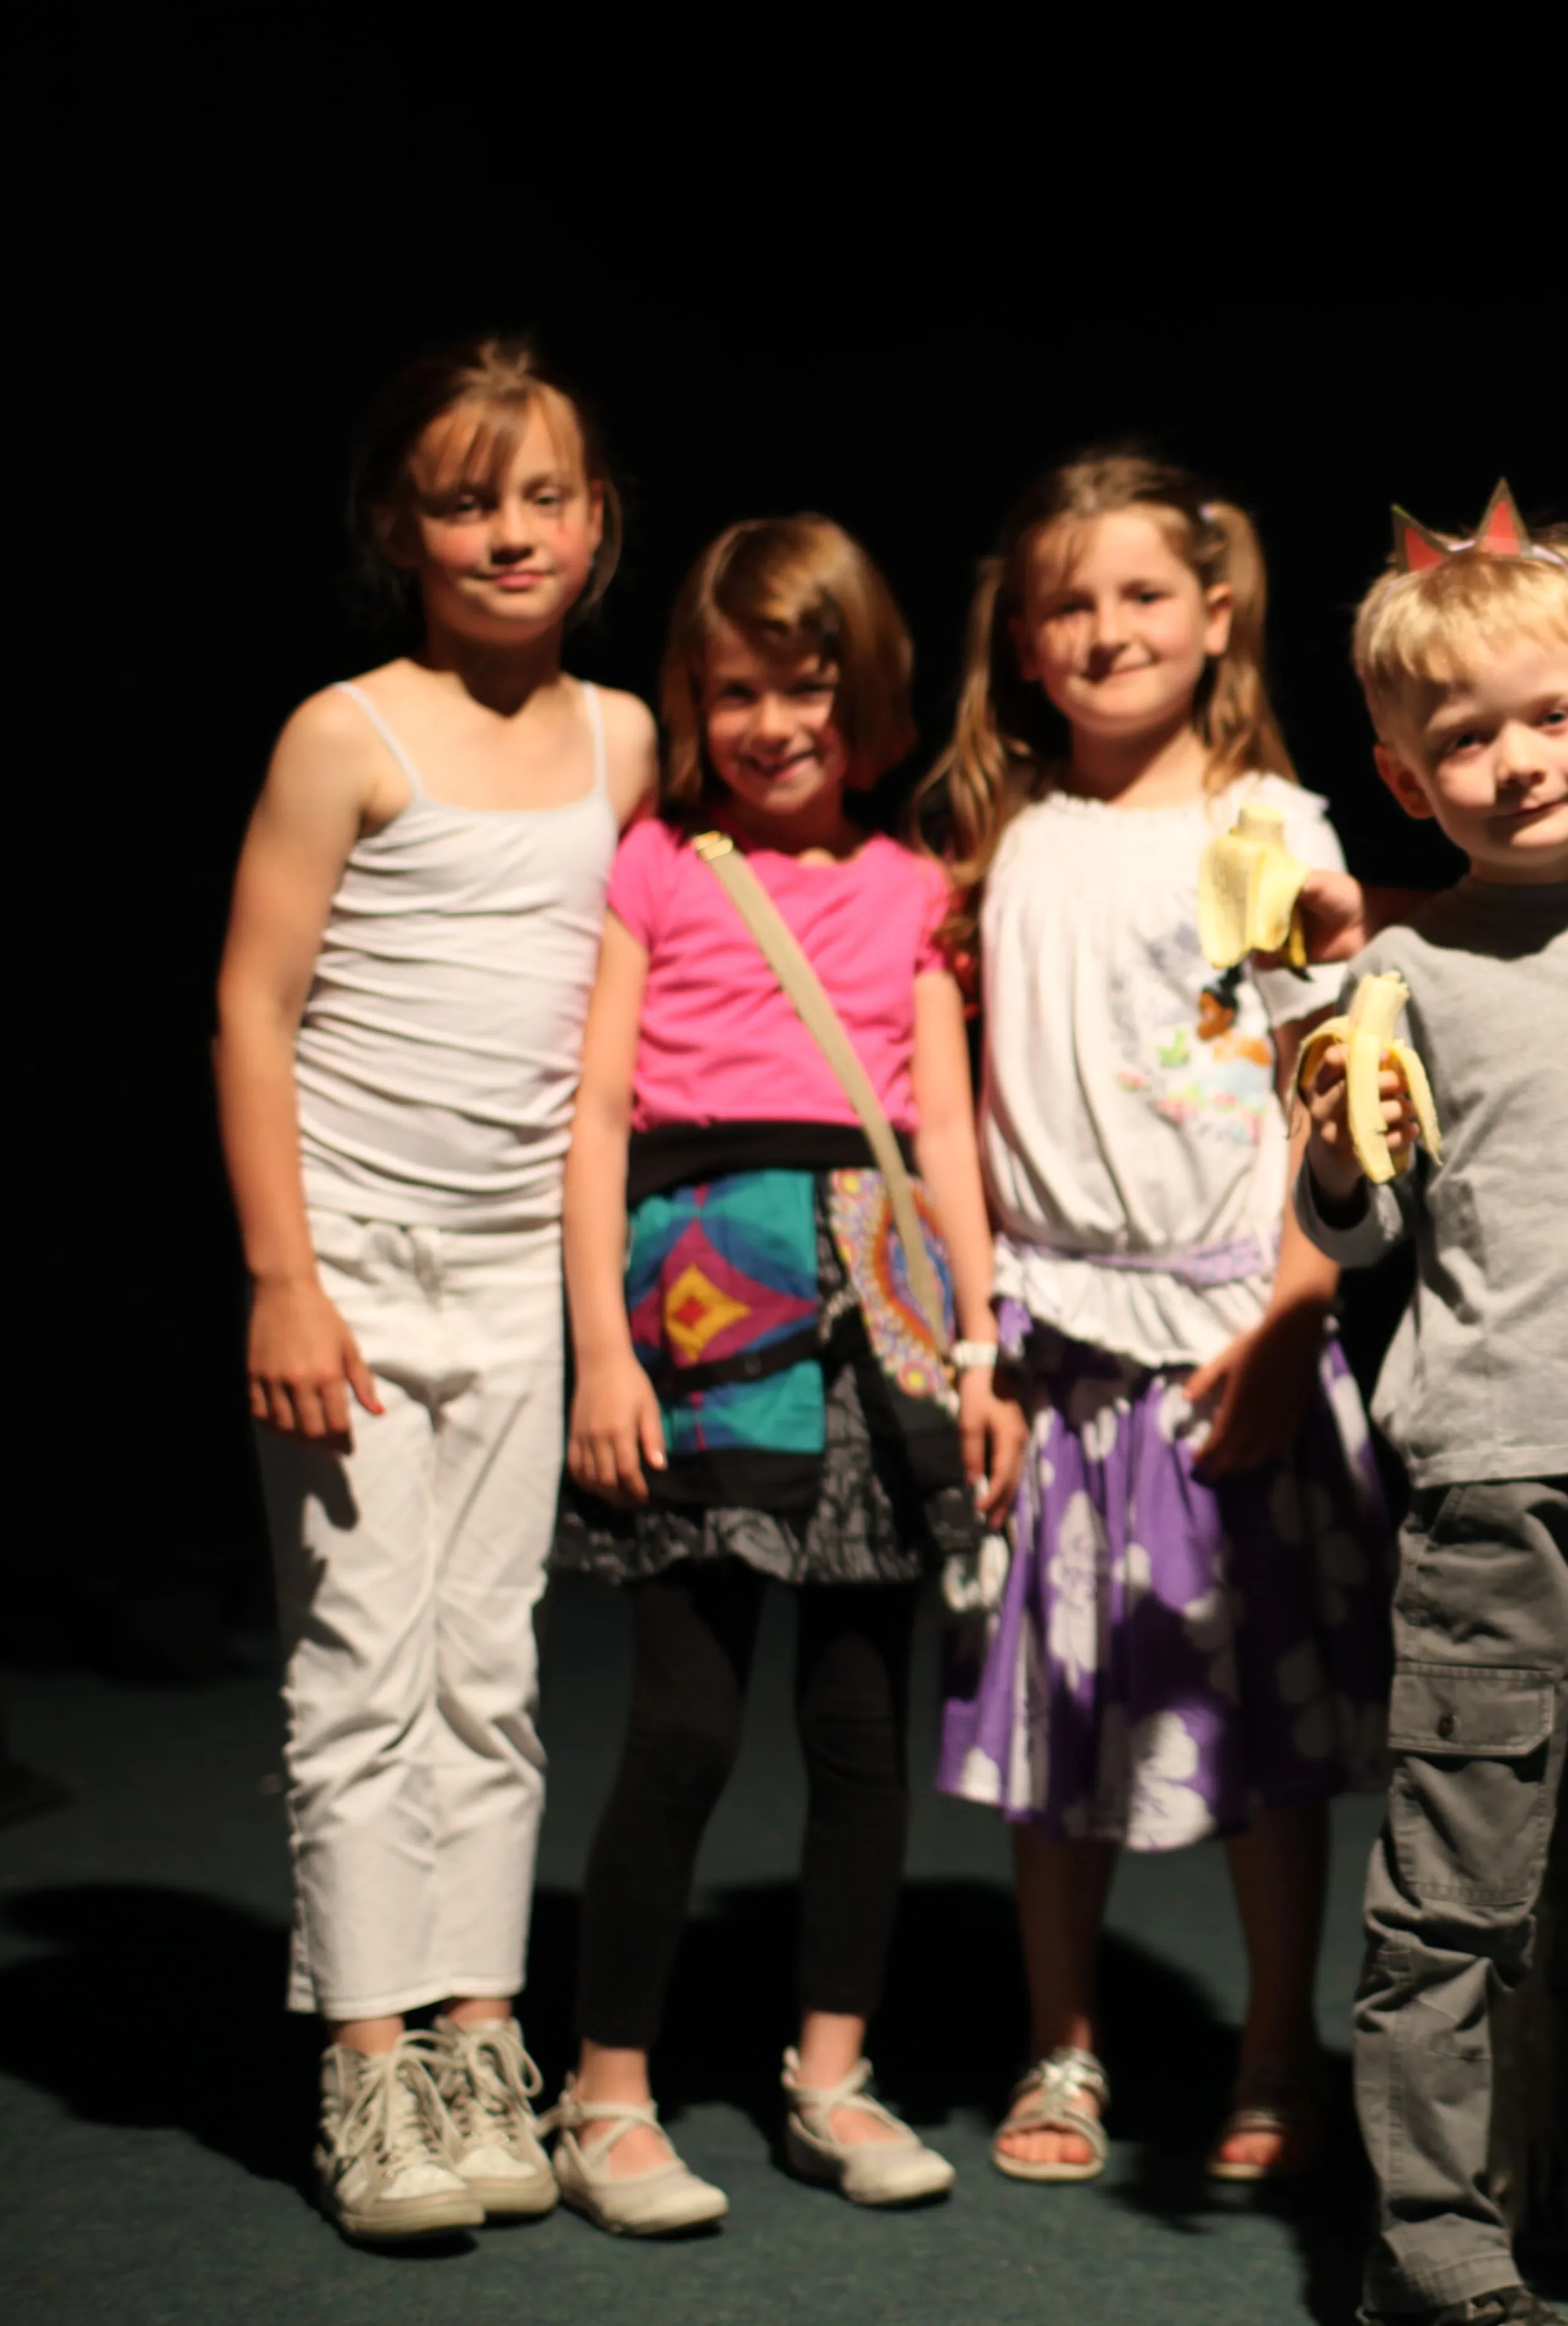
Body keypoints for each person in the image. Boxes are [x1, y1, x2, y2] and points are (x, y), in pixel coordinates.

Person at [214, 335, 651, 2243]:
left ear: (599, 518)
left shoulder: (625, 740)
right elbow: (251, 1009)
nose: (511, 533)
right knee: (359, 1673)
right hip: (357, 1274)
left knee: (491, 1672)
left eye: (544, 495)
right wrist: (283, 1279)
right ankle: (370, 2066)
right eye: (468, 502)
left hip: (514, 1284)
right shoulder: (345, 734)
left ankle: (482, 2037)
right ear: (401, 527)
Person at [544, 516, 1018, 2232]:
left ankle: (831, 2071)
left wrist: (980, 1350)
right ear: (695, 699)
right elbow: (600, 1117)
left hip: (880, 1320)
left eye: (804, 688)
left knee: (857, 1727)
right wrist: (601, 1348)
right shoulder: (658, 865)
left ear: (863, 695)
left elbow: (946, 1135)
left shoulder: (917, 889)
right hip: (698, 1308)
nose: (769, 724)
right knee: (682, 1721)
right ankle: (606, 2095)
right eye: (735, 691)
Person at [925, 451, 1392, 2191]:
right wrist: (980, 1334)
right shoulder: (1001, 838)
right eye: (1069, 601)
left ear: (1216, 612)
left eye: (1141, 594)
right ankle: (1065, 2043)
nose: (1106, 630)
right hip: (1053, 1343)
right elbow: (951, 1101)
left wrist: (1295, 1313)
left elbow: (1337, 1091)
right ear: (1021, 637)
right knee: (1060, 1719)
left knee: (1263, 1725)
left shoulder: (1266, 833)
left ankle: (1276, 2047)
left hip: (1227, 1346)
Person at [1297, 496, 1568, 2326]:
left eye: (1552, 716)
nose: (1519, 763)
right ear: (1404, 778)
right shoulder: (1406, 972)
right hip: (1495, 1484)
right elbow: (1365, 1223)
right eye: (1465, 740)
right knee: (1460, 1884)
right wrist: (1332, 1157)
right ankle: (1433, 2235)